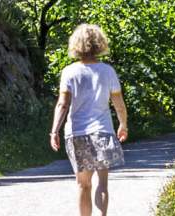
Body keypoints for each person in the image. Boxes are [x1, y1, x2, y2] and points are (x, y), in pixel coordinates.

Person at [49, 23, 128, 216]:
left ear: (76, 44)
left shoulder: (69, 72)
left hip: (77, 133)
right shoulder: (108, 71)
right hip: (102, 131)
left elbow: (62, 105)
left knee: (83, 185)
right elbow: (118, 103)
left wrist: (54, 131)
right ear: (99, 44)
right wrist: (123, 124)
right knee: (102, 183)